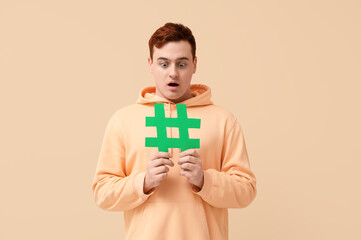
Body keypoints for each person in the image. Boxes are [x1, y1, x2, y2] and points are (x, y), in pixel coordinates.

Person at [92, 22, 257, 240]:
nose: (173, 73)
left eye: (182, 64)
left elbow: (246, 191)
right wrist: (143, 182)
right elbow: (102, 192)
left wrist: (205, 180)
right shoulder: (123, 120)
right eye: (163, 64)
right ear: (150, 64)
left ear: (194, 64)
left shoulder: (224, 120)